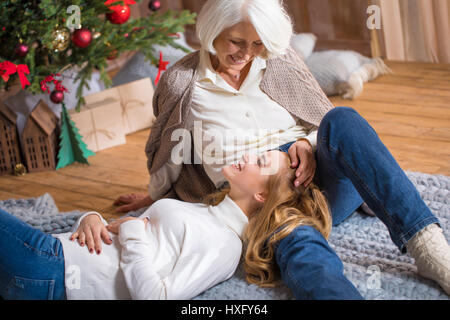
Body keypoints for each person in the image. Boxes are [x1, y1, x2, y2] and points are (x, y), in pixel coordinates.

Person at [110, 0, 450, 298]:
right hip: (257, 202)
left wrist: (307, 142)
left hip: (314, 182)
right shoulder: (182, 83)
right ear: (211, 31)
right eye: (236, 41)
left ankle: (428, 249)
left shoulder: (279, 59)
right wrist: (156, 196)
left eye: (257, 43)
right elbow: (170, 151)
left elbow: (319, 118)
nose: (246, 54)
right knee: (301, 248)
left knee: (343, 119)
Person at [0, 150, 300, 300]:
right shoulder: (205, 211)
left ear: (261, 195)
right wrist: (90, 217)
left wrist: (132, 233)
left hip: (53, 271)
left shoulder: (226, 245)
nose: (247, 155)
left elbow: (157, 296)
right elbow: (122, 230)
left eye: (260, 162)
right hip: (55, 254)